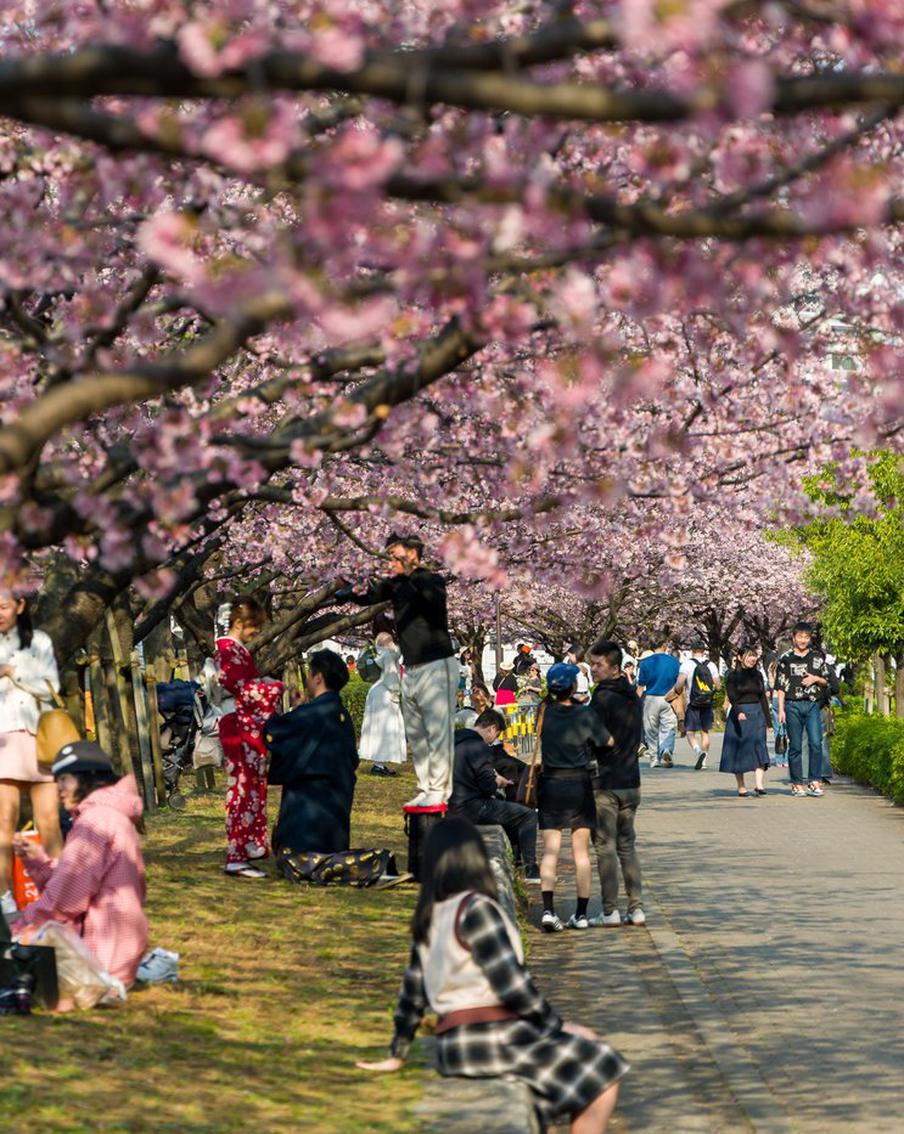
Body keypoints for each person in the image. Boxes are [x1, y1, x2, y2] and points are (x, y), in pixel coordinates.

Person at [356, 817, 627, 1133]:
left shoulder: (431, 916)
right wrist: (556, 1026)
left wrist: (397, 1052)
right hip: (491, 1037)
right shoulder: (476, 909)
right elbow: (511, 983)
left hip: (453, 1045)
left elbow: (412, 994)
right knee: (604, 1067)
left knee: (545, 1100)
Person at [11, 740, 147, 988]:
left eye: (64, 779)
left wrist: (18, 926)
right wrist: (38, 862)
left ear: (88, 778)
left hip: (100, 958)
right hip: (121, 951)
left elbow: (65, 901)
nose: (59, 788)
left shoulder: (94, 822)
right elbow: (76, 882)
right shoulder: (111, 815)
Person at [345, 535, 458, 809]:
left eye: (396, 556)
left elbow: (431, 598)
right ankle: (425, 786)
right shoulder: (395, 585)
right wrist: (347, 590)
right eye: (390, 557)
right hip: (412, 665)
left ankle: (440, 790)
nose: (391, 562)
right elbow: (370, 596)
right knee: (417, 731)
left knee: (436, 731)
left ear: (413, 554)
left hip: (437, 663)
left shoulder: (430, 580)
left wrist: (410, 572)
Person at [0, 588, 64, 918]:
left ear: (20, 605)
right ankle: (4, 899)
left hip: (39, 739)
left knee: (50, 821)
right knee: (3, 825)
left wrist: (14, 672)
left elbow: (52, 686)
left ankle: (60, 892)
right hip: (3, 741)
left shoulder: (38, 641)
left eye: (4, 606)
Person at [537, 663, 612, 933]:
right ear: (573, 686)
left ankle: (548, 911)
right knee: (581, 852)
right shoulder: (585, 714)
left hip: (551, 784)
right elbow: (608, 741)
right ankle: (580, 915)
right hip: (579, 784)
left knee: (550, 851)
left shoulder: (543, 712)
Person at [216, 595, 284, 879]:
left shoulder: (235, 649)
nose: (257, 632)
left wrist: (265, 684)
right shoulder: (228, 649)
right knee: (242, 789)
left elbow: (247, 683)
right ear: (240, 623)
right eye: (254, 626)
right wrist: (275, 688)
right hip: (238, 725)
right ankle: (237, 855)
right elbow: (241, 687)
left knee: (250, 786)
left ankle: (247, 847)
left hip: (242, 724)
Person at [266, 650, 358, 856]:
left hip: (307, 815)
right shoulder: (342, 715)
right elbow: (353, 759)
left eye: (309, 674)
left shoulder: (309, 715)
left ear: (318, 678)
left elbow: (274, 732)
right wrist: (300, 709)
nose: (307, 679)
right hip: (337, 811)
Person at [586, 641, 645, 928]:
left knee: (605, 846)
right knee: (627, 846)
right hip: (631, 781)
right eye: (592, 664)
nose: (593, 669)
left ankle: (609, 910)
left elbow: (595, 738)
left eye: (599, 665)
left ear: (615, 668)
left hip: (606, 781)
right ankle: (636, 908)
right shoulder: (633, 696)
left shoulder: (602, 698)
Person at [449, 708, 540, 882]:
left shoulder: (454, 740)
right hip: (469, 807)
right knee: (527, 815)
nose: (494, 740)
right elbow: (487, 787)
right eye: (496, 734)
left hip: (451, 801)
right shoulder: (480, 748)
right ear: (491, 728)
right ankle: (530, 869)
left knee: (505, 806)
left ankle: (517, 859)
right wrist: (497, 782)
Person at [775, 621, 829, 798]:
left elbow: (826, 681)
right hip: (792, 705)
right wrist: (781, 710)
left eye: (806, 637)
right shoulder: (786, 659)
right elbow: (781, 687)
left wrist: (815, 678)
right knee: (796, 745)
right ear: (794, 638)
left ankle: (814, 780)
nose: (803, 640)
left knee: (815, 742)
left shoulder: (817, 658)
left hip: (813, 704)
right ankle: (797, 783)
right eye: (800, 636)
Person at [720, 645, 772, 797]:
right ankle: (741, 786)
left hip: (757, 713)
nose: (752, 659)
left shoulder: (758, 675)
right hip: (740, 715)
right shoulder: (732, 675)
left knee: (760, 746)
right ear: (740, 657)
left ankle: (759, 784)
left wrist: (769, 722)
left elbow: (762, 697)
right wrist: (738, 711)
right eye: (749, 655)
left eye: (754, 655)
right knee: (740, 749)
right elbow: (732, 696)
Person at [359, 632, 405, 777]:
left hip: (376, 692)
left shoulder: (377, 653)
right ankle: (378, 764)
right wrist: (396, 692)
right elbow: (392, 678)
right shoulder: (388, 655)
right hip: (385, 694)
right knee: (385, 728)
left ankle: (379, 763)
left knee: (377, 728)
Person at [636, 637, 683, 769]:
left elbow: (640, 687)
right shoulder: (674, 662)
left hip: (650, 698)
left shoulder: (645, 663)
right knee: (668, 727)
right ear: (664, 645)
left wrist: (634, 703)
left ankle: (653, 759)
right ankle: (666, 749)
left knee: (650, 730)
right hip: (669, 698)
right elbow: (679, 683)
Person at [680, 642, 720, 770]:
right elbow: (718, 686)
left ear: (692, 651)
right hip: (707, 702)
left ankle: (698, 751)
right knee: (705, 731)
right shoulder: (711, 665)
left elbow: (679, 683)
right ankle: (704, 759)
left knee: (690, 731)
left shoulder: (687, 664)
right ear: (704, 651)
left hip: (693, 702)